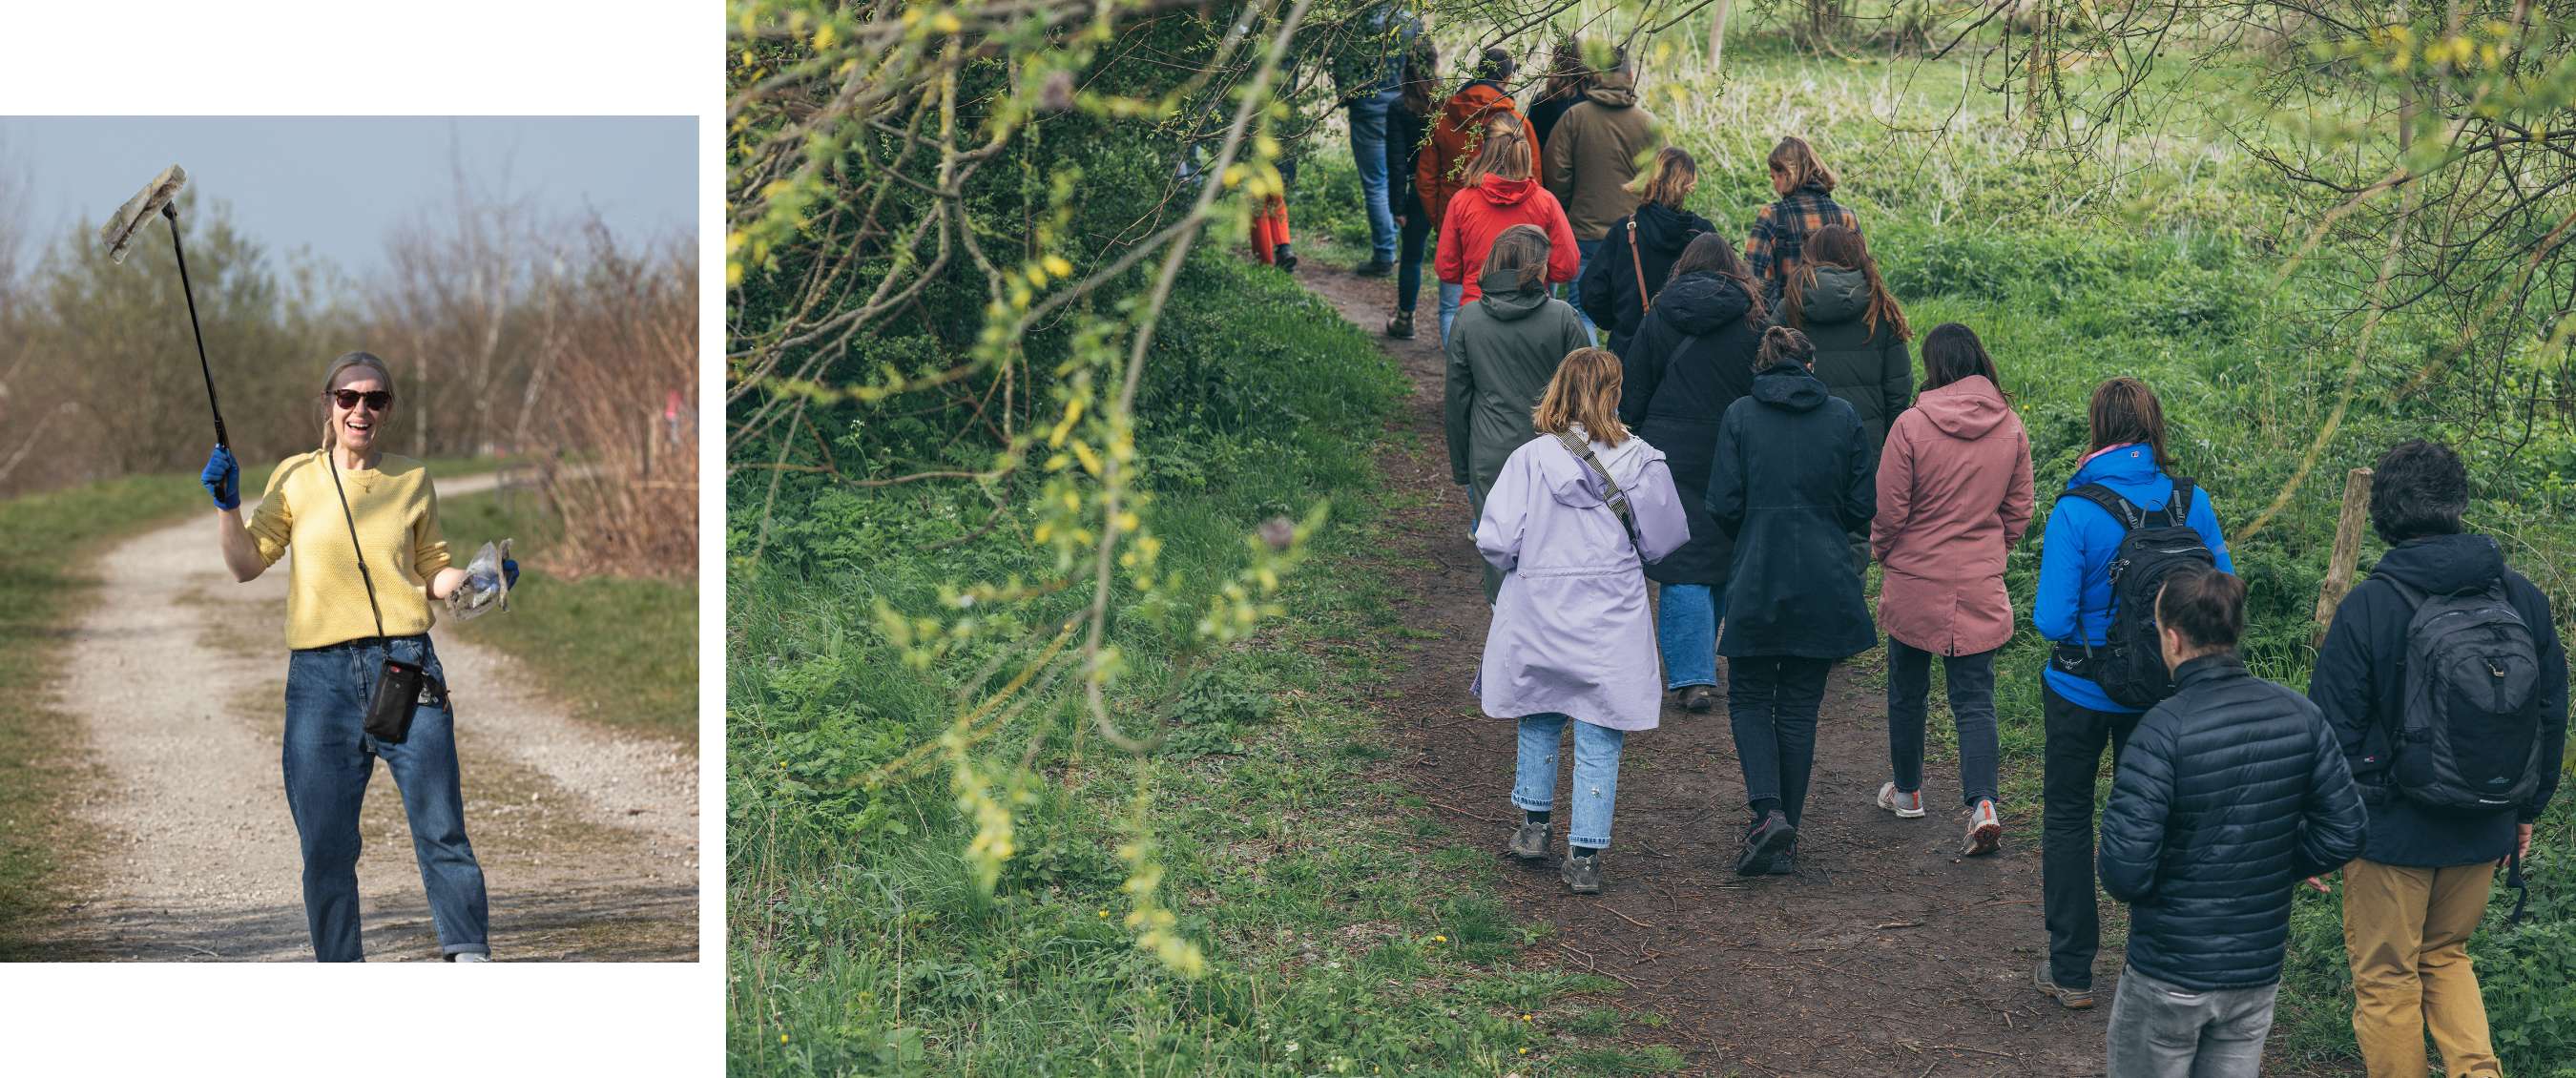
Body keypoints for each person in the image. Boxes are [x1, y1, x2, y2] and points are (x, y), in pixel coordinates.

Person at [199, 351, 516, 963]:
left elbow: (429, 573)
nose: (360, 409)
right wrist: (226, 507)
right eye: (348, 398)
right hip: (319, 680)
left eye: (375, 399)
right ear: (329, 404)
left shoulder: (411, 479)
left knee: (440, 824)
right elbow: (244, 565)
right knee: (325, 844)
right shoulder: (295, 477)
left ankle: (469, 955)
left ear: (388, 409)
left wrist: (480, 579)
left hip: (405, 666)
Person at [2306, 439, 2567, 1078]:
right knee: (2447, 955)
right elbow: (2551, 712)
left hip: (2389, 831)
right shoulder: (2521, 598)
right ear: (2458, 504)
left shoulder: (2370, 605)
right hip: (2485, 817)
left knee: (2388, 979)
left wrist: (2318, 827)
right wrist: (2526, 808)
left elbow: (2329, 728)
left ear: (2384, 515)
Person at [2097, 567, 2367, 1078]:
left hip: (2170, 972)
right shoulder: (2299, 715)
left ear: (2172, 638)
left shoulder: (2162, 730)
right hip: (2254, 976)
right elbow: (2346, 829)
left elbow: (2124, 872)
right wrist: (2271, 858)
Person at [2030, 376, 2235, 1009]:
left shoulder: (2076, 508)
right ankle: (2161, 968)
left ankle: (2070, 972)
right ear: (2153, 427)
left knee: (2068, 817)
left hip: (2081, 690)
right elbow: (2224, 591)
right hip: (2165, 694)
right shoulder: (2189, 501)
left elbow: (2052, 619)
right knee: (2159, 823)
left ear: (2097, 428)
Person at [1478, 347, 1690, 895]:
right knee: (1601, 726)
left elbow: (1498, 543)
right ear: (1615, 394)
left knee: (1541, 711)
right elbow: (1664, 541)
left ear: (1558, 390)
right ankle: (1586, 855)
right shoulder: (1642, 460)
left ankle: (1533, 826)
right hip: (1610, 608)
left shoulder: (1528, 460)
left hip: (1541, 604)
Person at [1706, 326, 1876, 877]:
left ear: (1762, 365)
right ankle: (1786, 835)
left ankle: (1768, 812)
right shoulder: (1844, 416)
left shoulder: (1739, 416)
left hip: (1758, 570)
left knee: (1750, 695)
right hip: (1826, 576)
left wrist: (1756, 526)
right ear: (1811, 364)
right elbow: (1860, 507)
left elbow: (1723, 503)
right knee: (1800, 707)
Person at [1869, 323, 2030, 855]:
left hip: (1916, 575)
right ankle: (1983, 802)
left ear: (1934, 365)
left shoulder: (1911, 425)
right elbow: (2018, 508)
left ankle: (1909, 789)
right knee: (1975, 697)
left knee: (1906, 689)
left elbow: (1892, 507)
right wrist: (1992, 551)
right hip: (1979, 579)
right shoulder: (2011, 427)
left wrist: (1884, 550)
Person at [1616, 234, 1765, 713]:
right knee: (1718, 552)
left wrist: (1626, 438)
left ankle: (1691, 675)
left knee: (1682, 559)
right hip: (1732, 443)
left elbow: (1634, 386)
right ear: (1733, 269)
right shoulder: (1753, 319)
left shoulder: (1660, 315)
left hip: (1669, 449)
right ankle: (1701, 662)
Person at [1446, 225, 1590, 601]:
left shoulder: (1468, 319)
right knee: (1555, 545)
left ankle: (1503, 621)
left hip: (1491, 451)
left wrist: (1462, 465)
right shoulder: (1563, 317)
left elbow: (1457, 401)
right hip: (1557, 450)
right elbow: (1587, 398)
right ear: (1535, 268)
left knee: (1498, 548)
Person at [1419, 47, 1539, 341]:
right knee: (1507, 301)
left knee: (1452, 306)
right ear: (1508, 79)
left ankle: (1457, 370)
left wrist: (1439, 220)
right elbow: (1534, 177)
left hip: (1456, 218)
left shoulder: (1445, 119)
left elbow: (1426, 178)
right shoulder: (1519, 124)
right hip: (1512, 225)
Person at [1542, 50, 1659, 344]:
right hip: (1635, 236)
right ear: (1631, 77)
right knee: (1633, 315)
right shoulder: (1649, 124)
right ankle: (1625, 383)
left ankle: (1588, 384)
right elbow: (1662, 179)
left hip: (1584, 232)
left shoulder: (1573, 118)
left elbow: (1558, 173)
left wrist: (1569, 208)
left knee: (1582, 312)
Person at [1433, 119, 1577, 344]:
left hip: (1478, 313)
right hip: (1534, 315)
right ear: (1525, 153)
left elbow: (1447, 269)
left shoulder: (1462, 201)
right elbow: (1566, 268)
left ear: (1485, 151)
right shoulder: (1546, 202)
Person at [1774, 224, 1910, 450]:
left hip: (1799, 440)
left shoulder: (1789, 307)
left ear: (1810, 254)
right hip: (1865, 442)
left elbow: (1767, 377)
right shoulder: (1880, 309)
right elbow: (1899, 390)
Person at [1578, 147, 1714, 354]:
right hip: (1688, 356)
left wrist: (1620, 322)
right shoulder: (1704, 234)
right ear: (1688, 184)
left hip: (1630, 351)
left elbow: (1591, 292)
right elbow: (1720, 295)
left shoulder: (1625, 231)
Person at [1343, 4, 1420, 278]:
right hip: (1403, 107)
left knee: (1376, 183)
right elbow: (1420, 62)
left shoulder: (1357, 19)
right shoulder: (1410, 19)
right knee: (1404, 174)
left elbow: (1343, 64)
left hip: (1369, 110)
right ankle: (1408, 246)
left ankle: (1385, 254)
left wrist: (1347, 95)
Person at [1743, 135, 1858, 301]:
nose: (1774, 184)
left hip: (1790, 321)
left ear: (1789, 173)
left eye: (1774, 176)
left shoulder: (1773, 215)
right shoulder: (1846, 216)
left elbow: (1753, 278)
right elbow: (1862, 275)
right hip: (1842, 317)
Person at [1384, 35, 1440, 340]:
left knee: (1412, 256)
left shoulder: (1400, 107)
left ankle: (1406, 319)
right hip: (1446, 189)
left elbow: (1395, 160)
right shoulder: (1446, 102)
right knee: (1454, 257)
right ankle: (1455, 319)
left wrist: (1398, 205)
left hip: (1416, 189)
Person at [1522, 37, 1589, 150]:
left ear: (1555, 60)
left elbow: (1531, 145)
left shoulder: (1542, 101)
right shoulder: (1594, 98)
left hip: (1549, 165)